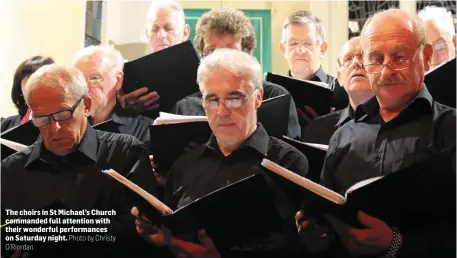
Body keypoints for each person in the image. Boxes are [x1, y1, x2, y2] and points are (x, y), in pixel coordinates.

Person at [297, 9, 456, 258]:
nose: (385, 70)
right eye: (375, 58)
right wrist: (318, 234)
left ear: (425, 58)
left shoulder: (450, 128)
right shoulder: (344, 133)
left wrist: (395, 244)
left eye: (399, 57)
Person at [133, 49, 310, 258]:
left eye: (234, 98)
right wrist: (165, 239)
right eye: (212, 100)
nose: (222, 111)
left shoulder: (289, 163)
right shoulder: (183, 167)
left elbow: (297, 246)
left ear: (258, 97)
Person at [1, 64, 157, 258]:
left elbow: (142, 235)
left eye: (63, 115)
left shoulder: (125, 153)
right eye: (41, 119)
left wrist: (61, 227)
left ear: (86, 106)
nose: (54, 128)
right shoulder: (11, 170)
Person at [172, 6, 301, 139]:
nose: (220, 60)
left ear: (248, 53)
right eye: (212, 51)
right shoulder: (184, 106)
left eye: (230, 51)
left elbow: (289, 150)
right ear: (202, 56)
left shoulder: (277, 96)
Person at [117, 0, 190, 113]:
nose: (161, 35)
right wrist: (122, 105)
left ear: (185, 32)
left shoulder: (202, 75)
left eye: (168, 28)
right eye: (154, 29)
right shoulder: (127, 75)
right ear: (147, 35)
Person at [73, 45, 153, 143]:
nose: (84, 87)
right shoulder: (68, 125)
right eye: (79, 80)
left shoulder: (145, 130)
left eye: (94, 78)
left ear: (118, 80)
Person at [301, 36, 373, 144]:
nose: (356, 63)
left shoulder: (397, 127)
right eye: (348, 59)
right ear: (339, 77)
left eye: (364, 57)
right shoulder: (317, 130)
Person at [280, 10, 349, 111]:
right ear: (283, 49)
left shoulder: (342, 91)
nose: (300, 50)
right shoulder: (274, 93)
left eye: (307, 43)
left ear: (322, 48)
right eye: (293, 43)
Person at [1, 56, 54, 131]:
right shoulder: (5, 125)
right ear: (19, 86)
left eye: (43, 78)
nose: (35, 85)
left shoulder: (64, 122)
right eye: (29, 79)